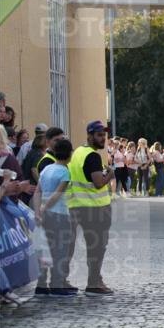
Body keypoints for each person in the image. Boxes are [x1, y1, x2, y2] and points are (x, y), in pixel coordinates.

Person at [67, 120, 114, 295]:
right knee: (97, 247)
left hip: (77, 206)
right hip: (95, 209)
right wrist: (110, 174)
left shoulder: (78, 152)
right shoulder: (93, 156)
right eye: (99, 135)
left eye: (104, 135)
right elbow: (98, 183)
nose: (103, 138)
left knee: (76, 246)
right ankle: (94, 283)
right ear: (90, 135)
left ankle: (64, 280)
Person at [32, 137, 76, 296]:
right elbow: (58, 194)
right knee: (60, 250)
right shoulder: (65, 172)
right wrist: (45, 207)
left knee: (44, 249)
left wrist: (38, 211)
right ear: (69, 154)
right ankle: (57, 284)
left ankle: (41, 285)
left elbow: (38, 192)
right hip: (59, 215)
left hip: (44, 217)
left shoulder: (46, 169)